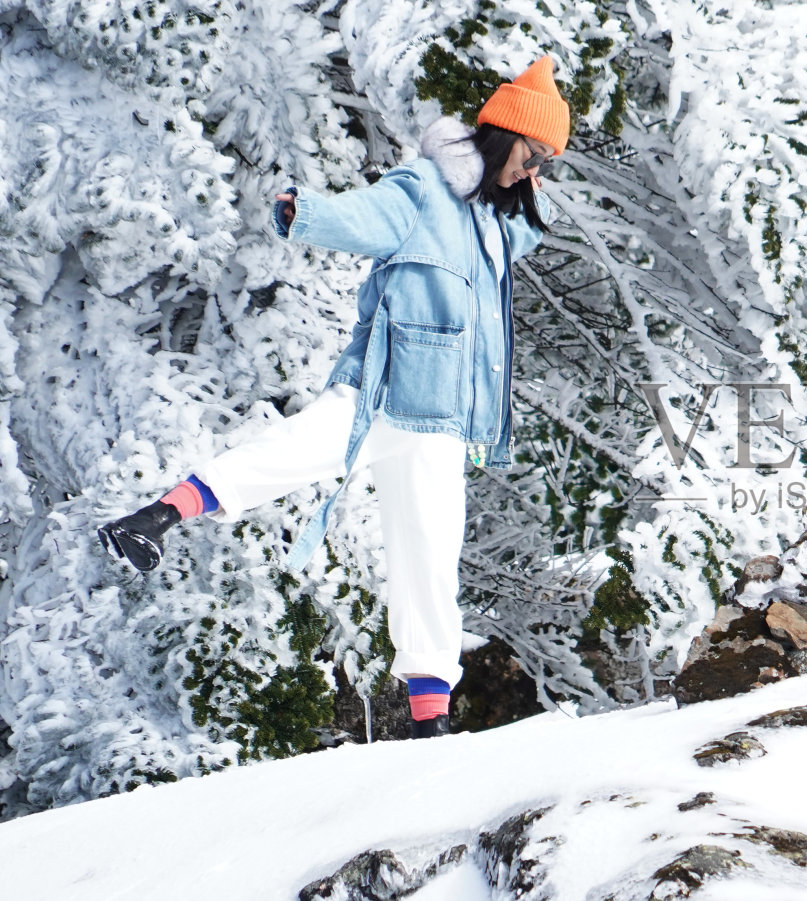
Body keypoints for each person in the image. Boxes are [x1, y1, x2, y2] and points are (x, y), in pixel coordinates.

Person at [97, 56, 571, 739]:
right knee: (288, 452)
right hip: (381, 393)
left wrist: (528, 167)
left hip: (440, 424)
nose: (536, 172)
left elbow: (538, 215)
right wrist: (308, 213)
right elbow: (366, 215)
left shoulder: (497, 224)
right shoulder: (423, 191)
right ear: (503, 135)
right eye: (533, 154)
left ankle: (430, 723)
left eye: (547, 162)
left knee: (431, 566)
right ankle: (156, 517)